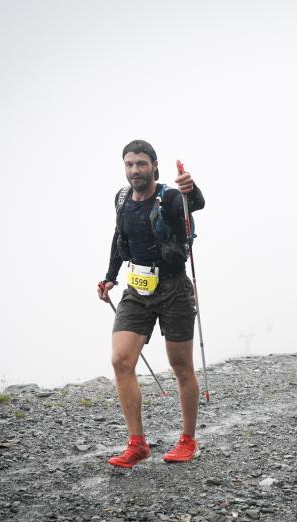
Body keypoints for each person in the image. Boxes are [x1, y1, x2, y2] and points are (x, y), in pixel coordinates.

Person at [97, 140, 205, 469]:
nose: (134, 170)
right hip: (136, 288)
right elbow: (119, 238)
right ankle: (137, 444)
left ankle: (188, 441)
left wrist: (191, 188)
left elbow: (195, 204)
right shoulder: (122, 199)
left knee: (181, 366)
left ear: (154, 166)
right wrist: (110, 276)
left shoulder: (170, 197)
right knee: (120, 360)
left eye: (141, 164)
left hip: (173, 287)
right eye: (129, 164)